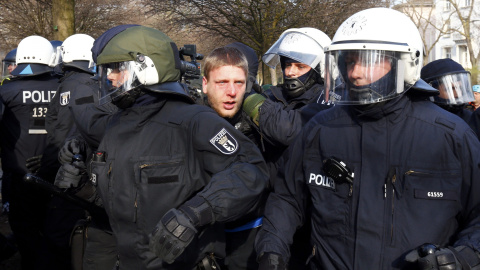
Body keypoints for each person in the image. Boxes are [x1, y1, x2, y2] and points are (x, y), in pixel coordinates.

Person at [255, 7, 480, 270]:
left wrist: (463, 257)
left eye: (369, 61)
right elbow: (288, 198)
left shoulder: (450, 136)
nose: (355, 73)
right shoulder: (321, 129)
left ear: (405, 63)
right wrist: (272, 249)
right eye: (349, 61)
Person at [54, 25, 269, 269]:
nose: (110, 77)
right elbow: (124, 203)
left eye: (117, 68)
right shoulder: (115, 126)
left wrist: (195, 213)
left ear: (147, 68)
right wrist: (82, 186)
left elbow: (250, 171)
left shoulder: (194, 121)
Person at [242, 27, 333, 269]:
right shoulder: (273, 95)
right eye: (286, 64)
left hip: (311, 213)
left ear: (319, 70)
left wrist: (249, 100)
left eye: (299, 66)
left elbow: (288, 129)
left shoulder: (329, 99)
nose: (290, 72)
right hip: (269, 209)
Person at [0, 35, 60, 270]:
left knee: (25, 231)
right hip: (58, 171)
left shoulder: (7, 90)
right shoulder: (62, 86)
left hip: (20, 175)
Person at [201, 44, 263, 269]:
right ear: (205, 84)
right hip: (203, 238)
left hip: (249, 237)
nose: (231, 92)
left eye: (239, 83)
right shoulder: (188, 122)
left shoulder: (260, 124)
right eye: (222, 82)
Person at [420, 58, 475, 123]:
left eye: (460, 88)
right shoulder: (420, 120)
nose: (458, 94)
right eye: (450, 89)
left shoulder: (471, 119)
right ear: (432, 91)